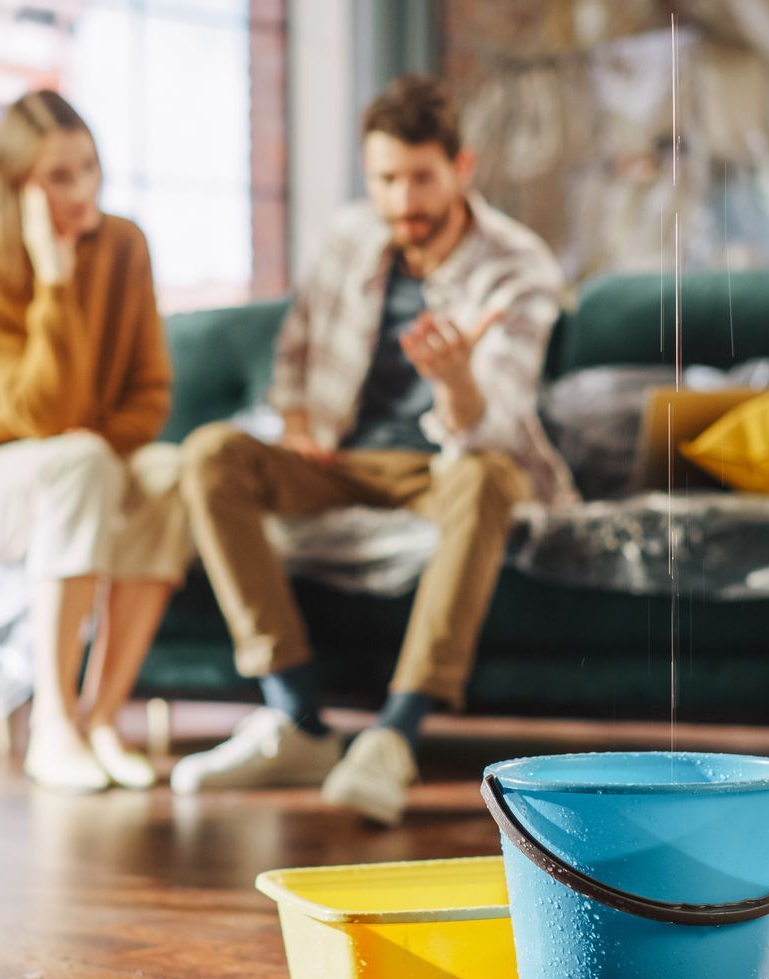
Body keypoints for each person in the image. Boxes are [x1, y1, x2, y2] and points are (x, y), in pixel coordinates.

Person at [170, 75, 574, 825]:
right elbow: (292, 353)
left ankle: (394, 736)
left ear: (463, 168)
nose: (403, 201)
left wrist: (454, 381)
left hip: (447, 465)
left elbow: (496, 420)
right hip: (342, 462)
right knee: (210, 454)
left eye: (422, 178)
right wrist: (297, 423)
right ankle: (297, 719)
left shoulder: (518, 266)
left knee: (488, 479)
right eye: (386, 179)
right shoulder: (351, 236)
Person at [0, 89, 187, 794]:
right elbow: (42, 411)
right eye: (58, 177)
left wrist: (87, 442)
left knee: (168, 473)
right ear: (18, 190)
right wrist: (55, 280)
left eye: (89, 167)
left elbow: (150, 397)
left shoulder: (126, 247)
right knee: (80, 460)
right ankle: (53, 727)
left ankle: (100, 719)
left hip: (76, 467)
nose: (82, 189)